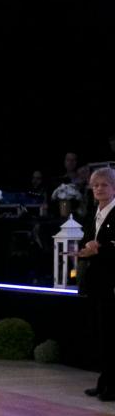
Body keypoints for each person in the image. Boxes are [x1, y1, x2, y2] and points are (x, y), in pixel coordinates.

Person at [79, 165, 115, 401]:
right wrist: (84, 250)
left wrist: (99, 249)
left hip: (112, 281)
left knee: (112, 335)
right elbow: (88, 240)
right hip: (98, 282)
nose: (99, 189)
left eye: (104, 185)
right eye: (95, 185)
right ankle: (104, 383)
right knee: (103, 335)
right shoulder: (96, 213)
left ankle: (112, 387)